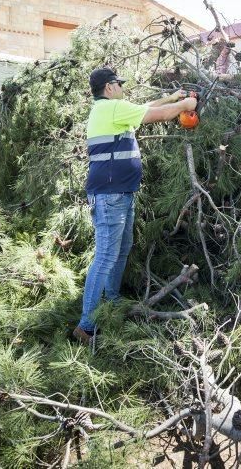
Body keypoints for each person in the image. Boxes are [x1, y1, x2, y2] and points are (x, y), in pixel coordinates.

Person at [70, 68, 197, 343]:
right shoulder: (110, 108)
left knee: (122, 249)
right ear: (109, 87)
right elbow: (156, 115)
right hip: (110, 195)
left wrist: (170, 97)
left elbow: (145, 108)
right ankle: (86, 326)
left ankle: (112, 301)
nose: (122, 87)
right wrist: (184, 105)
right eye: (119, 83)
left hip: (121, 193)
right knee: (105, 257)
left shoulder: (112, 109)